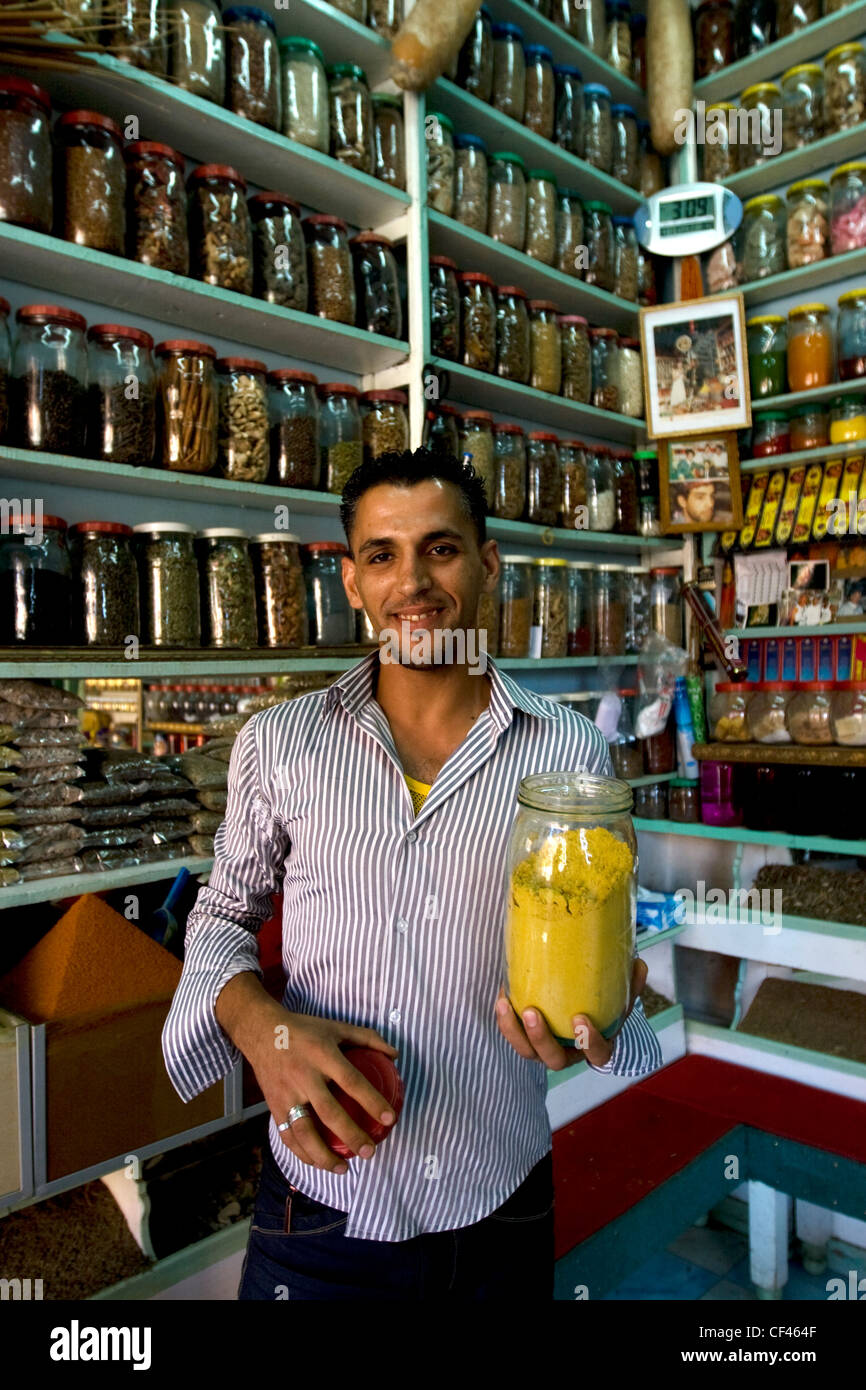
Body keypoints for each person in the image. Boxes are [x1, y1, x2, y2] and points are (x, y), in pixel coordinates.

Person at [162, 448, 662, 1302]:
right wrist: (261, 1032)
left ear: (488, 563)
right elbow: (222, 915)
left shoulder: (568, 752)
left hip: (496, 1190)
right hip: (322, 1206)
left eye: (441, 548)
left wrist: (609, 1011)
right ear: (352, 582)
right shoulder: (282, 743)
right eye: (382, 555)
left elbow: (596, 932)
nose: (413, 583)